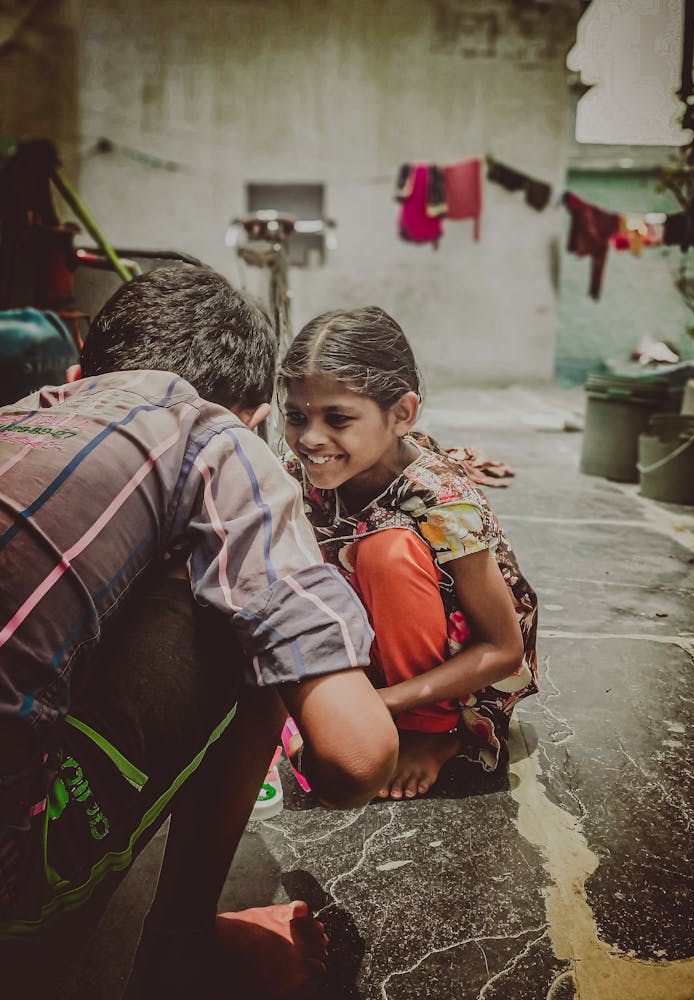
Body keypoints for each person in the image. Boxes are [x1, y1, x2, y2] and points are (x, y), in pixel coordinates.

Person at [0, 267, 399, 999]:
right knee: (247, 609)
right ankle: (180, 943)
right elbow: (357, 756)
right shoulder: (213, 434)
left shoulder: (29, 411)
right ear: (250, 419)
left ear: (79, 372)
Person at [278, 306, 538, 801]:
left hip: (453, 676)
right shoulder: (297, 474)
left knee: (387, 550)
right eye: (297, 416)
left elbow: (504, 649)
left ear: (401, 414)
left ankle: (428, 732)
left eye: (338, 418)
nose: (310, 439)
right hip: (369, 650)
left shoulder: (442, 500)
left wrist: (384, 705)